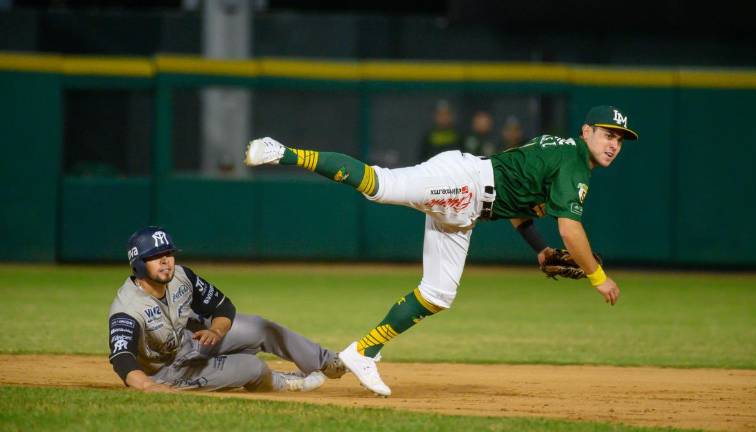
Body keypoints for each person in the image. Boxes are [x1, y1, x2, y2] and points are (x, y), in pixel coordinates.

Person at [243, 105, 638, 397]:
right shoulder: (574, 163)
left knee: (438, 293)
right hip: (466, 185)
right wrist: (598, 277)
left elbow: (518, 202)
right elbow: (570, 229)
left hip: (468, 209)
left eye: (619, 139)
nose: (613, 144)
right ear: (586, 131)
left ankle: (362, 352)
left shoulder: (561, 149)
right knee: (380, 184)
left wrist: (538, 248)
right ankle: (283, 152)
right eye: (608, 135)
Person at [108, 226, 346, 392]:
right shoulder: (127, 308)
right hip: (165, 372)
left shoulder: (182, 276)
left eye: (168, 253)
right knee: (252, 368)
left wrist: (217, 331)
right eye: (155, 256)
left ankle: (330, 362)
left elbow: (222, 306)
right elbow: (122, 357)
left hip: (191, 342)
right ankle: (283, 382)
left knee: (260, 327)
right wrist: (148, 385)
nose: (166, 261)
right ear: (138, 264)